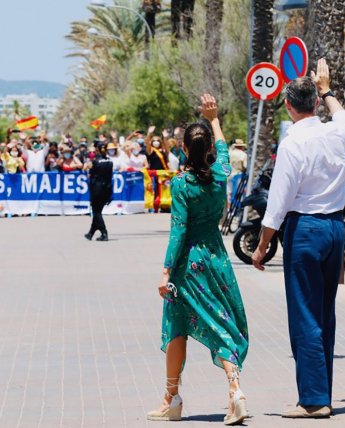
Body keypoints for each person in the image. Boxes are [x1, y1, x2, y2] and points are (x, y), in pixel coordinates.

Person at [251, 59, 345, 418]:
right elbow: (344, 117)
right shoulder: (335, 132)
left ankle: (313, 400)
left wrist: (262, 245)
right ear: (314, 102)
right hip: (335, 229)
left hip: (306, 230)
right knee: (325, 313)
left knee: (305, 315)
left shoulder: (293, 142)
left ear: (289, 106)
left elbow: (278, 201)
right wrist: (326, 89)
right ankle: (321, 392)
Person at [147, 94, 249, 425]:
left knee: (175, 326)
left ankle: (171, 398)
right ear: (205, 149)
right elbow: (221, 149)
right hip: (216, 258)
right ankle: (235, 391)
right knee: (220, 324)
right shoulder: (220, 174)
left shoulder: (181, 185)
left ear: (183, 150)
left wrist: (165, 272)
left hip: (186, 266)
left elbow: (178, 232)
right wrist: (215, 118)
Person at [84, 141, 113, 242]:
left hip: (97, 189)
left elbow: (90, 176)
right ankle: (91, 233)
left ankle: (104, 233)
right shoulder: (110, 161)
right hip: (107, 189)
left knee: (96, 212)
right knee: (97, 211)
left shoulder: (94, 162)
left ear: (97, 150)